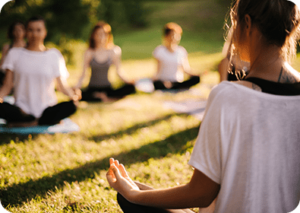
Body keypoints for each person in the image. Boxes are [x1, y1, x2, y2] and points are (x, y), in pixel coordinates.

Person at [106, 0, 300, 212]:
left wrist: (133, 194)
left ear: (247, 23)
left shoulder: (228, 95)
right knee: (138, 191)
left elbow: (201, 194)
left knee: (129, 196)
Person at [0, 16, 81, 127]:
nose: (34, 34)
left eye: (38, 30)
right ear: (25, 32)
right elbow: (7, 85)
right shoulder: (14, 54)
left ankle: (30, 122)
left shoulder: (54, 55)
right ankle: (35, 121)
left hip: (47, 110)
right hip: (21, 110)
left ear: (45, 32)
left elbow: (62, 86)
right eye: (31, 30)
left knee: (72, 106)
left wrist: (73, 96)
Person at [74, 21, 135, 102]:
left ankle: (103, 97)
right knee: (76, 93)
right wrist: (77, 87)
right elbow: (83, 74)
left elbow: (119, 71)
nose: (101, 37)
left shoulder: (114, 51)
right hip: (92, 89)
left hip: (108, 88)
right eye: (98, 34)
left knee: (131, 88)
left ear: (108, 35)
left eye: (103, 34)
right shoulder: (89, 52)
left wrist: (129, 81)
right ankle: (100, 97)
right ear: (93, 36)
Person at [152, 22, 200, 91]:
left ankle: (174, 87)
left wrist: (197, 74)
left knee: (196, 79)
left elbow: (186, 69)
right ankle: (171, 87)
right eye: (171, 35)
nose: (174, 38)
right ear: (166, 36)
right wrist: (154, 79)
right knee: (157, 83)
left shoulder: (181, 51)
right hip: (163, 81)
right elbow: (158, 71)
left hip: (177, 82)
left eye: (176, 35)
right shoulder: (159, 50)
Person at [0, 21, 26, 87]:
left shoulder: (28, 47)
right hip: (9, 78)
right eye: (15, 30)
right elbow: (2, 65)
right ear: (12, 32)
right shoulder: (7, 47)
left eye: (20, 30)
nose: (18, 32)